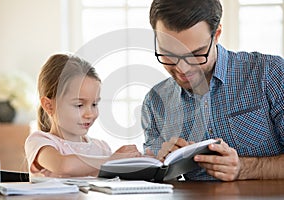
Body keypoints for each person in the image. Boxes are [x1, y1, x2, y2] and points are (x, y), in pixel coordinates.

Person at [142, 0, 284, 181]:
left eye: (196, 54)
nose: (182, 69)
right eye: (169, 54)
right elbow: (160, 183)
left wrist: (243, 168)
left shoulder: (269, 74)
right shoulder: (154, 102)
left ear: (216, 35)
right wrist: (164, 168)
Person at [25, 54, 141, 178]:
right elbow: (64, 165)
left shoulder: (101, 148)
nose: (90, 114)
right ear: (49, 106)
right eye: (79, 105)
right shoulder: (39, 142)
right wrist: (112, 159)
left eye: (94, 104)